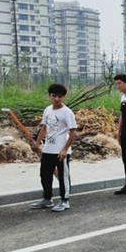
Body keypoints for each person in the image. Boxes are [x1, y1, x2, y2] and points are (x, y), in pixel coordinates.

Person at [31, 83, 77, 212]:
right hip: (48, 149)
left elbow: (73, 133)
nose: (57, 99)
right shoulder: (47, 110)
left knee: (63, 176)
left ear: (63, 97)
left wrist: (64, 150)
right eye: (54, 96)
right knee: (45, 174)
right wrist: (38, 143)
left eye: (60, 96)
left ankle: (64, 200)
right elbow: (44, 128)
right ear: (49, 96)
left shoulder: (67, 112)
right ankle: (47, 199)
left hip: (61, 150)